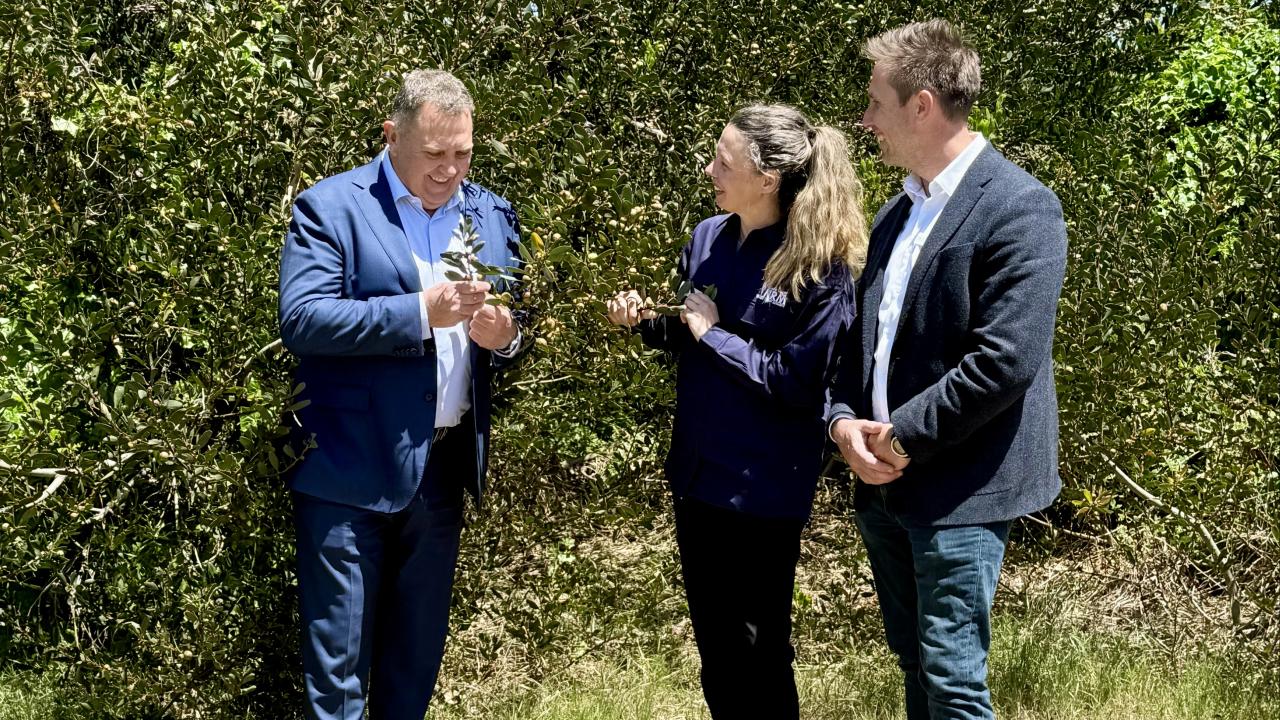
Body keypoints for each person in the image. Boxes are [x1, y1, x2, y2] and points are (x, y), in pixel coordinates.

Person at [826, 19, 1069, 720]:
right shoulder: (899, 211)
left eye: (875, 102)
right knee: (917, 667)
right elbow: (861, 343)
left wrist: (898, 440)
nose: (865, 118)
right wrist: (843, 425)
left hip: (962, 489)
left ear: (922, 105)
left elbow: (1005, 361)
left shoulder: (1021, 208)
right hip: (882, 488)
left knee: (954, 681)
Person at [607, 104, 868, 720]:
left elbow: (798, 383)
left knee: (759, 646)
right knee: (717, 649)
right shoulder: (708, 238)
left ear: (768, 178)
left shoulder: (818, 266)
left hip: (764, 486)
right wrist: (648, 322)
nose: (709, 170)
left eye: (723, 162)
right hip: (699, 475)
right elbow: (689, 339)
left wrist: (714, 335)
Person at [278, 69, 524, 719]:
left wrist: (505, 335)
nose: (450, 170)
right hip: (348, 468)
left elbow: (515, 320)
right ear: (392, 136)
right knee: (339, 673)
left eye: (463, 152)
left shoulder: (492, 212)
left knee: (414, 663)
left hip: (441, 472)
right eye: (434, 154)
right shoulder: (330, 206)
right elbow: (302, 320)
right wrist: (418, 312)